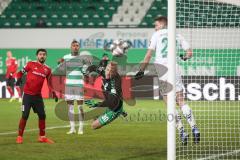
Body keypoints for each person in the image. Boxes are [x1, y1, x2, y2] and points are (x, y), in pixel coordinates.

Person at [135, 16, 200, 144]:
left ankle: (182, 131)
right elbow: (189, 53)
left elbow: (148, 55)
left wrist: (141, 70)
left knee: (168, 101)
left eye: (156, 25)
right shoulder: (177, 34)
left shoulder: (157, 35)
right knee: (181, 100)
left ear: (162, 24)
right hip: (175, 68)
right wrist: (184, 58)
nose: (155, 27)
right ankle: (194, 128)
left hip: (163, 69)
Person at [16, 49, 58, 144]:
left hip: (38, 97)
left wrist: (54, 93)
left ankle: (42, 137)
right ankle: (19, 136)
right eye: (40, 54)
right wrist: (18, 79)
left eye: (44, 54)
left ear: (46, 56)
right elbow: (20, 72)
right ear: (37, 56)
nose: (42, 56)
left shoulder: (48, 69)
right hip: (27, 95)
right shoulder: (30, 64)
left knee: (42, 115)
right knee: (25, 115)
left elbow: (50, 83)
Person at [58, 40, 89, 135]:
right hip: (69, 85)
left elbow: (85, 73)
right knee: (70, 108)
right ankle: (72, 129)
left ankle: (81, 128)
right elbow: (61, 70)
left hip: (79, 85)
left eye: (77, 45)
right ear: (71, 47)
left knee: (80, 107)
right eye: (74, 45)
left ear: (79, 47)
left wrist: (87, 66)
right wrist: (59, 63)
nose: (75, 47)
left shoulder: (82, 58)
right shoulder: (66, 57)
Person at [87, 61, 125, 129]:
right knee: (93, 115)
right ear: (105, 68)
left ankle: (119, 112)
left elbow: (111, 101)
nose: (108, 72)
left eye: (111, 71)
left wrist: (98, 104)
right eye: (107, 70)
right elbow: (94, 67)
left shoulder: (115, 85)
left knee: (93, 126)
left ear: (115, 72)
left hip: (114, 109)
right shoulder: (104, 72)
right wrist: (87, 72)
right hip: (110, 103)